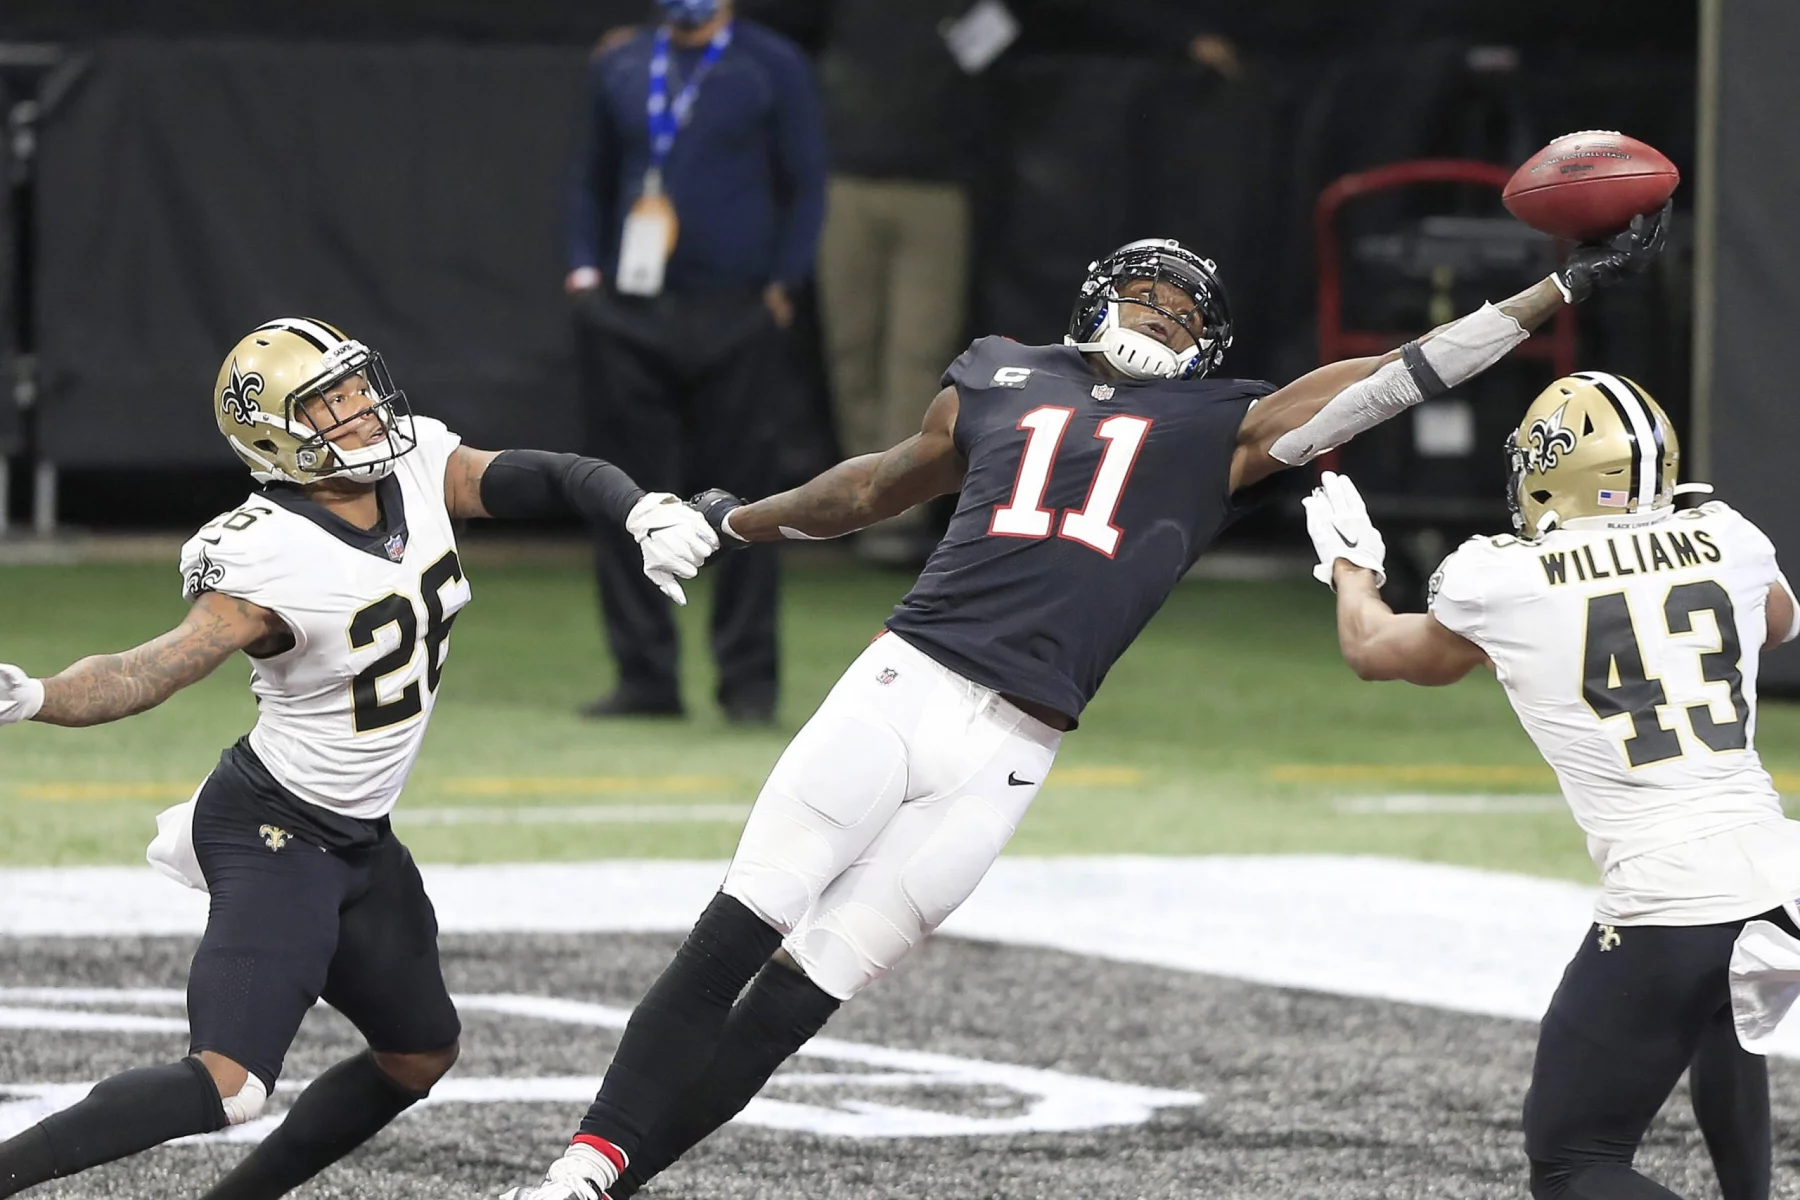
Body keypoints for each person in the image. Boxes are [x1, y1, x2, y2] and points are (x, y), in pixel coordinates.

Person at [498, 214, 1668, 1200]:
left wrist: (1554, 287)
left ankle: (606, 1182)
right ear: (1094, 301)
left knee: (795, 1003)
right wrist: (734, 516)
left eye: (1179, 310)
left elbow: (1402, 371)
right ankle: (573, 1179)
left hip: (1016, 750)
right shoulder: (1000, 372)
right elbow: (868, 487)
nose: (1157, 316)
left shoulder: (1228, 425)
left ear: (1207, 345)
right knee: (733, 937)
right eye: (1144, 297)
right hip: (902, 687)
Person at [0, 317, 717, 1200]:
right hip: (274, 827)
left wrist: (637, 508)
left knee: (419, 1055)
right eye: (329, 402)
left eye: (355, 387)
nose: (362, 409)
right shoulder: (266, 548)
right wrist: (36, 696)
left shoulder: (414, 465)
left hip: (361, 839)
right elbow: (150, 668)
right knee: (229, 1085)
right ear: (275, 437)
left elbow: (554, 474)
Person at [1301, 372, 1800, 1200]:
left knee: (1573, 1161)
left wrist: (1352, 566)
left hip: (1670, 887)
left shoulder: (1502, 577)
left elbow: (1375, 651)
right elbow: (1774, 624)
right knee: (1722, 1019)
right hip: (1779, 865)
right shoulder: (1729, 534)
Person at [565, 0, 827, 724]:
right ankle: (644, 677)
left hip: (735, 307)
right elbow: (590, 174)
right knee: (627, 497)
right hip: (628, 310)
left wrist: (782, 285)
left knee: (742, 502)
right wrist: (585, 274)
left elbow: (806, 182)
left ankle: (748, 684)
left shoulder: (771, 64)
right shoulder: (621, 62)